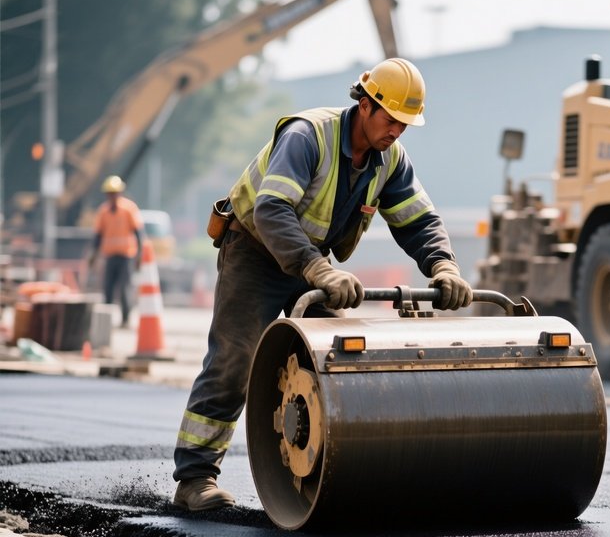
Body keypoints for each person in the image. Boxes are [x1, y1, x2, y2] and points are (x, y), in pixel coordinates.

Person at [172, 57, 474, 511]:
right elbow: (272, 210)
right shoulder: (308, 135)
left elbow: (418, 220)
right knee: (235, 358)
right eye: (392, 119)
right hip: (255, 251)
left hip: (311, 262)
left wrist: (443, 266)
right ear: (366, 105)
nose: (397, 131)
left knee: (340, 358)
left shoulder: (388, 159)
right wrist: (318, 270)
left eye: (406, 125)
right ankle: (194, 478)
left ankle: (329, 469)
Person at [88, 175, 143, 328]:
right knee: (108, 288)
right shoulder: (103, 211)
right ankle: (106, 322)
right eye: (109, 193)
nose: (112, 196)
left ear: (120, 193)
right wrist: (93, 254)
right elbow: (98, 235)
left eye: (115, 193)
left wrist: (139, 254)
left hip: (126, 256)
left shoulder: (128, 209)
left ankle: (125, 319)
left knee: (125, 288)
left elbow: (138, 233)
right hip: (110, 256)